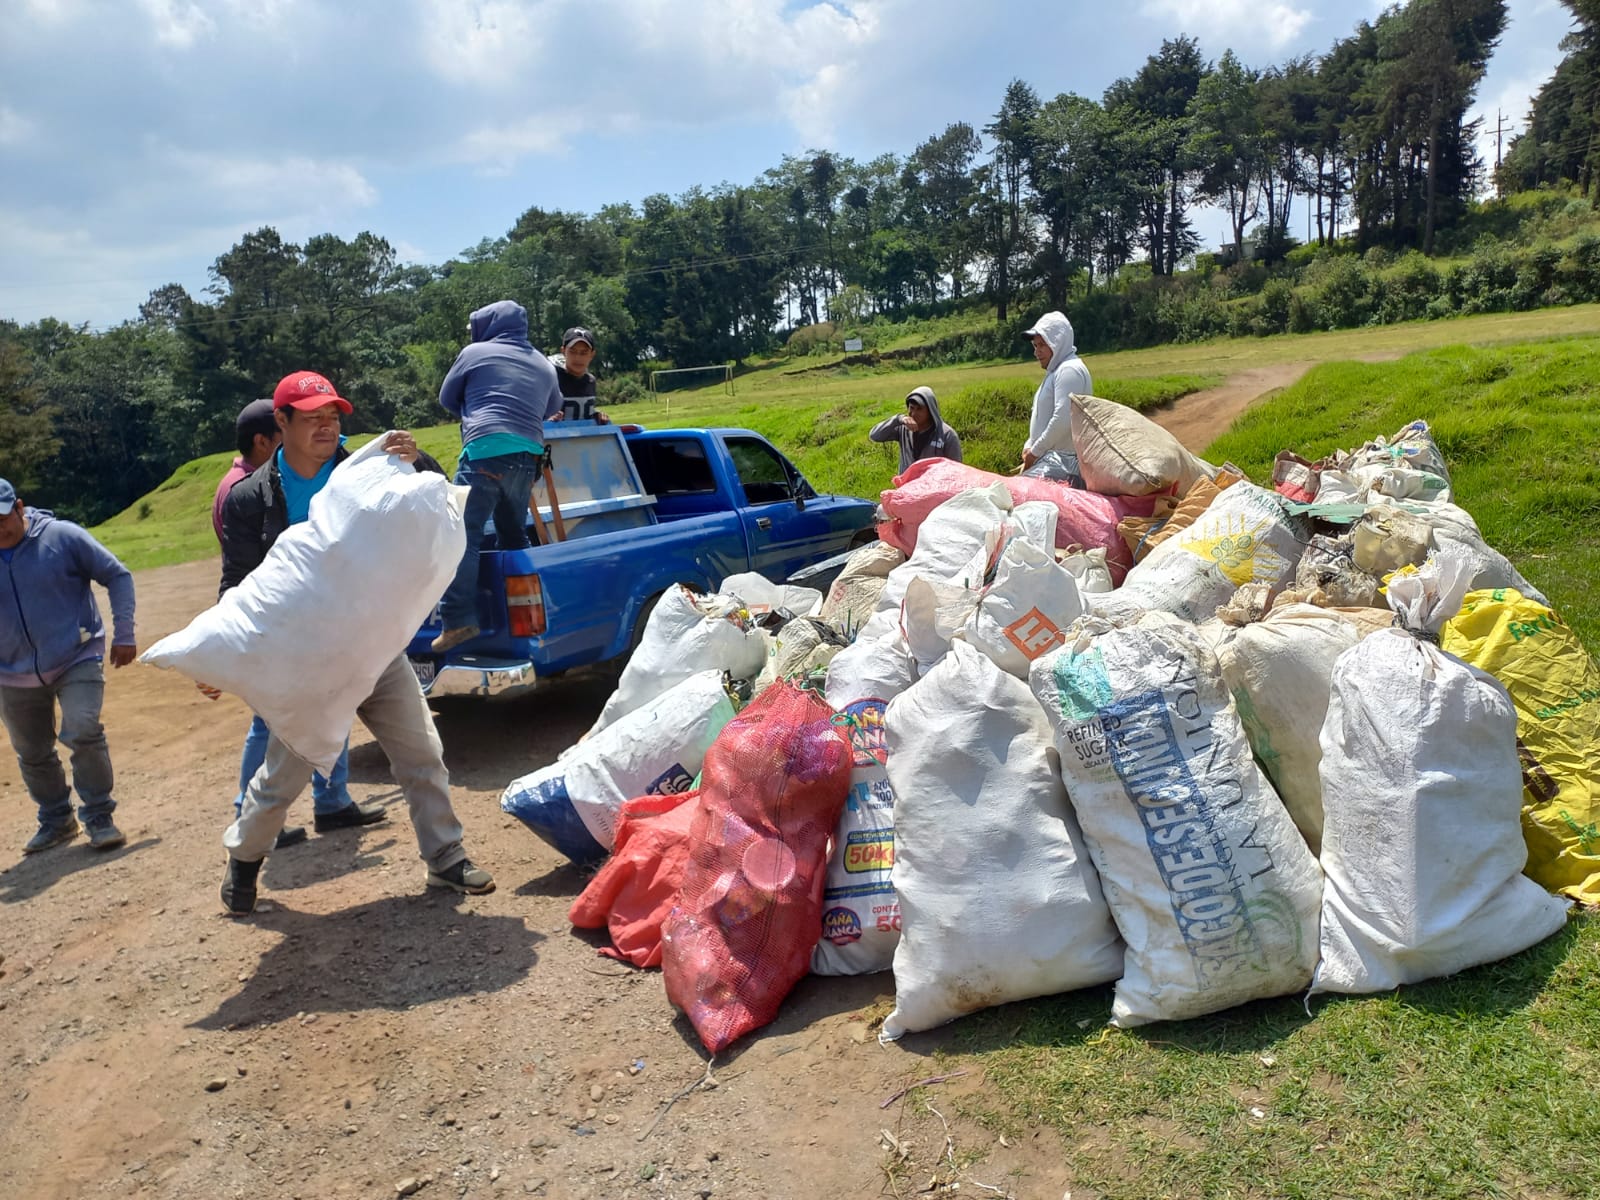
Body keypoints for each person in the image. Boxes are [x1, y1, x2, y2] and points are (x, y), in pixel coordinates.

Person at [217, 370, 493, 915]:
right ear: (281, 421)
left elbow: (429, 499)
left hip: (376, 645)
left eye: (333, 416)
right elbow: (238, 582)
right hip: (309, 661)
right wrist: (223, 652)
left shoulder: (361, 467)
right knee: (279, 782)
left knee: (422, 753)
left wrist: (420, 461)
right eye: (313, 417)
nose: (327, 426)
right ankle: (243, 861)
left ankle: (445, 857)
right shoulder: (250, 498)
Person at [214, 397, 364, 849]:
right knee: (270, 722)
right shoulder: (244, 491)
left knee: (333, 708)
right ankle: (251, 815)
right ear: (269, 437)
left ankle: (332, 800)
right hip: (281, 628)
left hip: (323, 622)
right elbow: (240, 575)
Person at [0, 477, 133, 853]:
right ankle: (57, 819)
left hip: (77, 654)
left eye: (2, 517)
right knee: (32, 751)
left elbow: (116, 575)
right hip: (11, 670)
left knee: (83, 728)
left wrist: (124, 632)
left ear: (20, 508)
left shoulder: (61, 538)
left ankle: (99, 816)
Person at [432, 300, 563, 653]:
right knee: (513, 534)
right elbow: (552, 407)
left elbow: (447, 398)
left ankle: (459, 619)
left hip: (485, 452)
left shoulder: (474, 352)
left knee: (462, 534)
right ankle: (529, 610)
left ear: (488, 325)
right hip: (528, 458)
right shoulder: (543, 363)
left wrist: (478, 407)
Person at [1021, 310, 1093, 476]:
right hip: (1051, 460)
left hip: (1063, 464)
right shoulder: (1057, 370)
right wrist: (1029, 445)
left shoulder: (1069, 370)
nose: (1036, 352)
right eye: (1035, 345)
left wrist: (1034, 452)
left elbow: (1062, 418)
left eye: (1042, 345)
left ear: (1057, 342)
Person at [868, 385, 962, 472]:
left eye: (919, 409)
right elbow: (875, 435)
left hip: (934, 487)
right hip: (907, 487)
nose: (913, 413)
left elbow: (956, 469)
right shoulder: (903, 429)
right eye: (911, 408)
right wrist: (898, 419)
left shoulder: (947, 435)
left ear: (930, 411)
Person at [551, 326, 609, 424]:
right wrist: (548, 420)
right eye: (572, 352)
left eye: (584, 353)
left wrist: (597, 417)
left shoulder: (590, 381)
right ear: (563, 351)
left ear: (592, 354)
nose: (578, 358)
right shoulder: (551, 379)